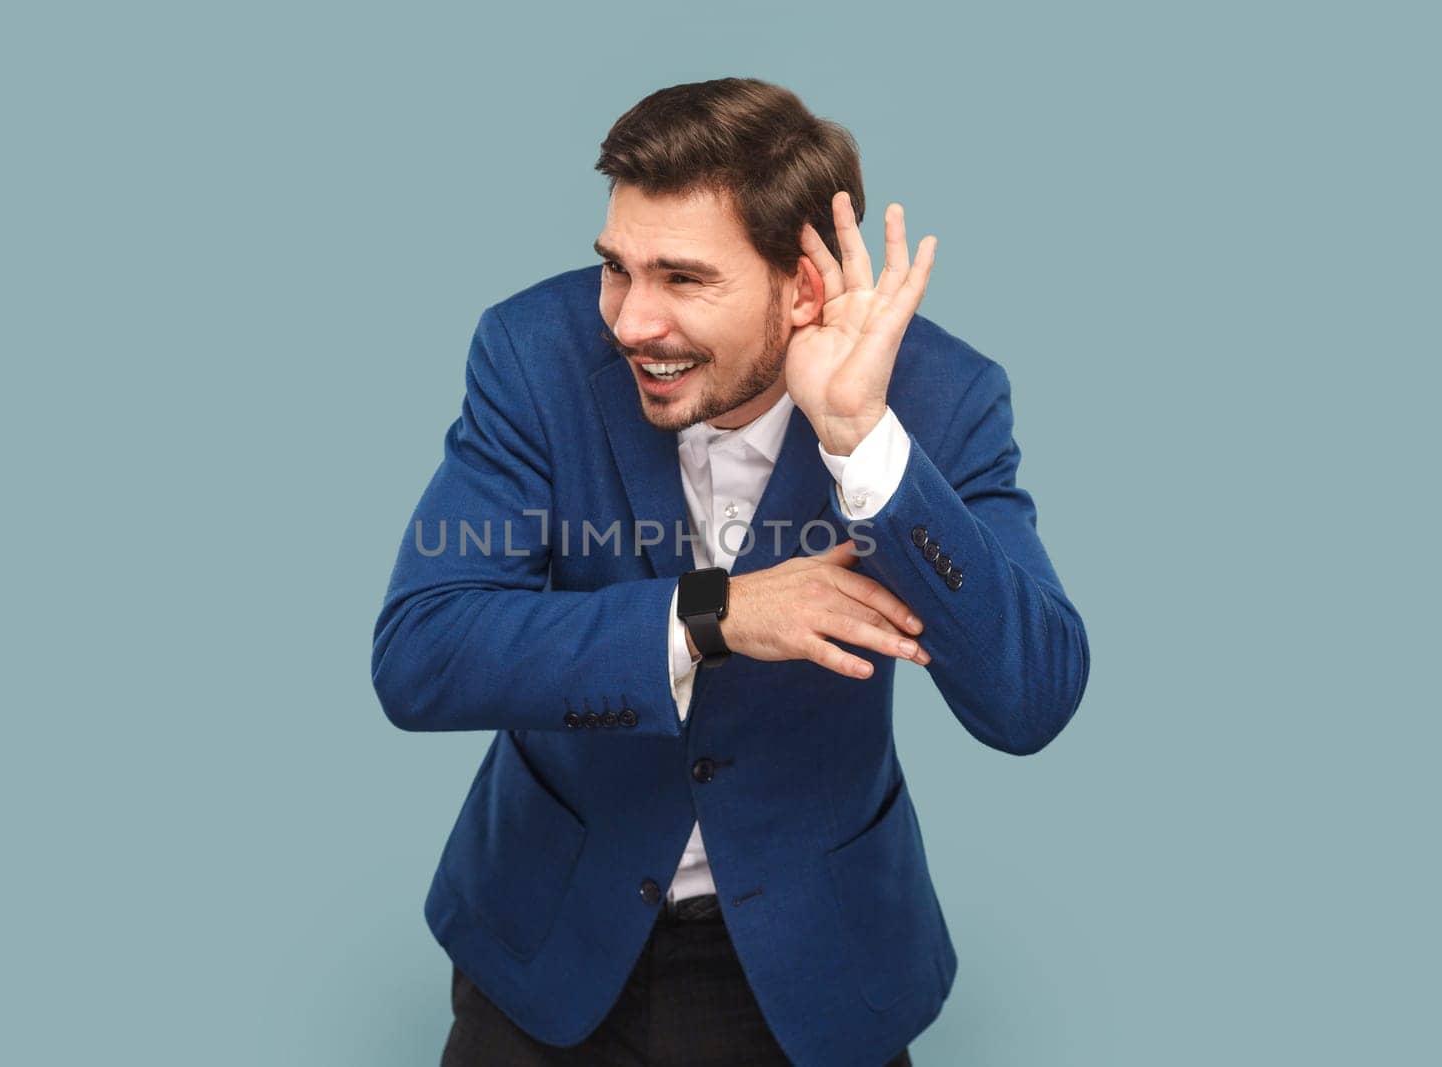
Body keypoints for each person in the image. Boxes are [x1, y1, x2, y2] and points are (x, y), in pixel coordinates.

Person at [371, 77, 1090, 1067]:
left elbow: (1030, 698)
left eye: (682, 278)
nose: (628, 320)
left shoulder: (943, 396)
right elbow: (424, 650)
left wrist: (861, 444)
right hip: (550, 939)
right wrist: (711, 611)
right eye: (616, 268)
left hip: (810, 953)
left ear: (801, 286)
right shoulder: (532, 355)